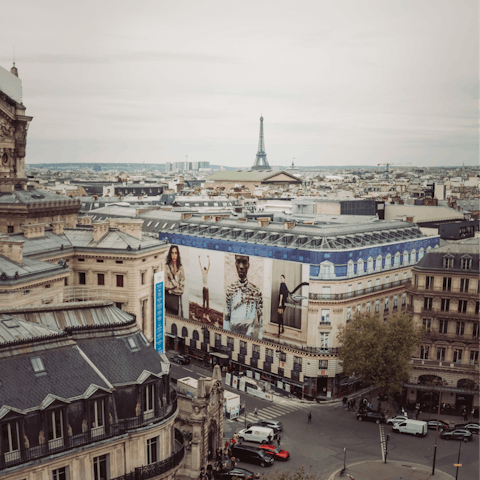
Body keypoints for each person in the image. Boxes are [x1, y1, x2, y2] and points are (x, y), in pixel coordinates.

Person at [224, 255, 263, 339]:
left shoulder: (256, 291)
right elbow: (227, 317)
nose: (241, 266)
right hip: (232, 338)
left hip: (248, 339)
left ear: (248, 265)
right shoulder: (230, 289)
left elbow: (261, 320)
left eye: (244, 262)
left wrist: (260, 341)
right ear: (235, 264)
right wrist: (225, 339)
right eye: (238, 262)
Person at [165, 245, 185, 316]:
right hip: (169, 302)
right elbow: (165, 284)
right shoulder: (167, 267)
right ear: (170, 254)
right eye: (172, 253)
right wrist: (175, 284)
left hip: (178, 301)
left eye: (175, 253)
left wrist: (171, 289)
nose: (174, 255)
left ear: (178, 254)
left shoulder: (181, 268)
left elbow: (182, 288)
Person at [198, 255, 211, 320]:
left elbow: (207, 265)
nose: (203, 271)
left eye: (204, 270)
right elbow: (207, 265)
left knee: (205, 302)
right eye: (203, 270)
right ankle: (206, 315)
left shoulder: (204, 273)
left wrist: (208, 258)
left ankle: (205, 315)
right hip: (205, 289)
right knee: (206, 303)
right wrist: (199, 258)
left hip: (204, 289)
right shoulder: (204, 273)